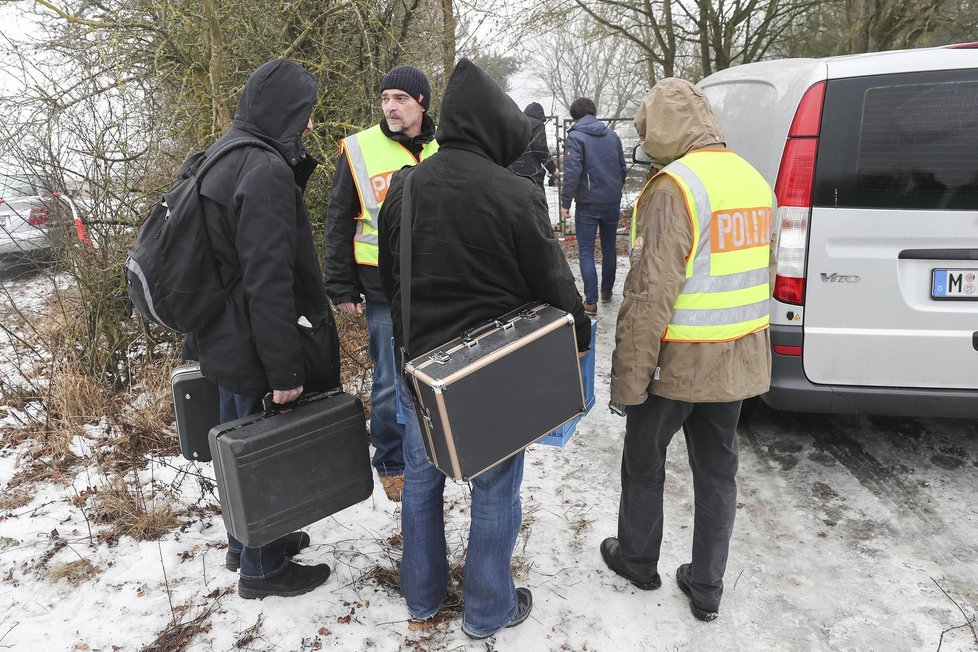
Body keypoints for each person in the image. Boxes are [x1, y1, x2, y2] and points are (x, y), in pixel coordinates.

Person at [377, 59, 591, 639]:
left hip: (420, 368)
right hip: (488, 372)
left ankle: (420, 598)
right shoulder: (514, 192)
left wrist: (405, 350)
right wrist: (581, 334)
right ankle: (486, 610)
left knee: (421, 482)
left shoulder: (405, 185)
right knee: (495, 490)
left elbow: (387, 280)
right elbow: (553, 283)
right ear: (493, 130)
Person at [601, 78, 775, 622]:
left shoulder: (673, 188)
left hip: (672, 366)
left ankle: (637, 559)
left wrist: (628, 383)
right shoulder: (753, 179)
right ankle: (707, 587)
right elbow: (763, 273)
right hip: (735, 361)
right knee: (718, 472)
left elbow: (650, 294)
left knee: (644, 462)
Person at [192, 60, 335, 599]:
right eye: (306, 114)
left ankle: (245, 542)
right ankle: (263, 569)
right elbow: (268, 281)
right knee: (259, 454)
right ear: (287, 111)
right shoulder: (264, 170)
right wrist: (286, 369)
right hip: (253, 340)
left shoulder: (221, 155)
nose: (310, 125)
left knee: (236, 447)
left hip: (222, 335)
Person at [323, 66, 439, 502]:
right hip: (379, 286)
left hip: (434, 284)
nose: (390, 106)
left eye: (401, 99)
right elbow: (338, 218)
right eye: (386, 98)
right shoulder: (358, 150)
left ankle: (432, 448)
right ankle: (391, 462)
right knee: (389, 378)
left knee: (431, 373)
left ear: (421, 102)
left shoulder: (444, 147)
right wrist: (340, 283)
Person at [559, 97, 627, 317]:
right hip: (612, 200)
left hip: (588, 203)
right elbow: (622, 168)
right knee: (609, 247)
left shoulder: (576, 137)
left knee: (586, 250)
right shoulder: (612, 136)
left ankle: (591, 302)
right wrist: (614, 188)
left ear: (575, 115)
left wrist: (566, 202)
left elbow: (572, 172)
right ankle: (606, 291)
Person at [508, 102, 558, 189]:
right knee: (536, 201)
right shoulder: (537, 125)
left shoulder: (516, 123)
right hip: (532, 174)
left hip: (512, 172)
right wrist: (552, 169)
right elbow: (541, 149)